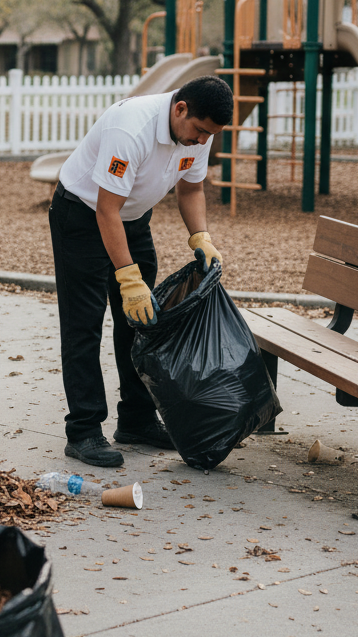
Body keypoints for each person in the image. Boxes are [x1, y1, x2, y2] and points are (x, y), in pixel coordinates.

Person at [49, 75, 233, 467]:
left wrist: (200, 235)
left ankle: (136, 418)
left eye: (209, 135)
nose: (202, 141)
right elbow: (105, 209)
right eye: (200, 131)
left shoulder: (199, 132)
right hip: (81, 216)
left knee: (141, 321)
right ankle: (83, 430)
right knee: (84, 325)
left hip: (131, 218)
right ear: (180, 108)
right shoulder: (130, 128)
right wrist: (127, 276)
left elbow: (191, 188)